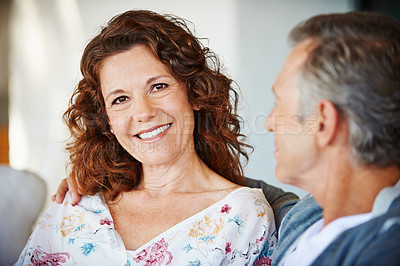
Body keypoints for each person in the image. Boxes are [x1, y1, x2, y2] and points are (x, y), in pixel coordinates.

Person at [16, 10, 278, 265]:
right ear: (107, 120)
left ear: (194, 92)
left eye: (159, 86)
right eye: (120, 99)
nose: (143, 113)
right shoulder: (77, 204)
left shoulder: (243, 217)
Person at [265, 11, 400, 265]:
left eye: (279, 103)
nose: (269, 123)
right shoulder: (305, 218)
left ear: (323, 121)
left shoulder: (386, 249)